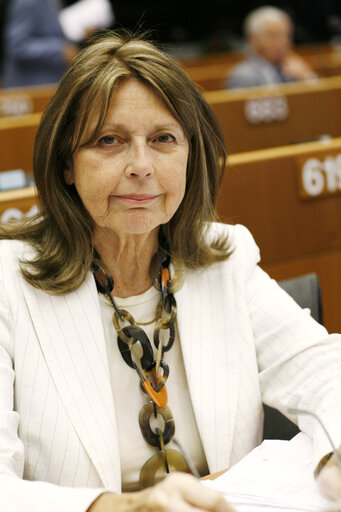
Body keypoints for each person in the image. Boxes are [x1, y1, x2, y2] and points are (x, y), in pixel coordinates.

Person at [0, 30, 340, 512]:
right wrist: (121, 508)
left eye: (163, 139)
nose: (141, 165)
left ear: (189, 154)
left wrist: (335, 456)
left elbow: (325, 368)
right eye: (109, 140)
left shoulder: (224, 255)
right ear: (66, 165)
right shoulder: (7, 283)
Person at [226, 6, 317, 89]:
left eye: (286, 35)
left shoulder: (293, 69)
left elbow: (322, 99)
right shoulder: (242, 76)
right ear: (253, 40)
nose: (281, 42)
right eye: (273, 36)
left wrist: (306, 76)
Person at [1, 0, 79, 88]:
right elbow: (17, 46)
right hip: (30, 88)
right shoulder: (28, 1)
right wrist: (60, 51)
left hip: (50, 86)